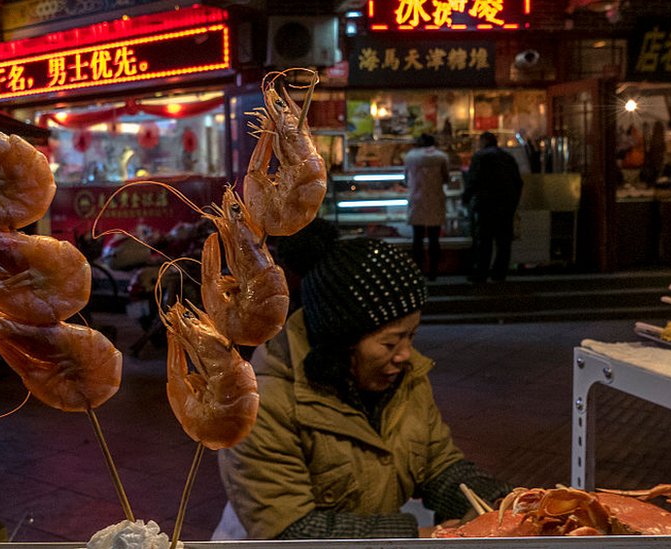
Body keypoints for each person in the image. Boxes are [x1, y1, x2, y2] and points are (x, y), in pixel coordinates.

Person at [215, 235, 510, 540]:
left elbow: (438, 466)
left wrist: (502, 504)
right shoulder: (263, 405)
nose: (405, 354)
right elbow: (292, 531)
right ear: (342, 341)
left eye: (412, 336)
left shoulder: (406, 378)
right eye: (390, 342)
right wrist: (418, 536)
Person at [462, 132, 524, 283]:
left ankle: (481, 273)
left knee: (484, 240)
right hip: (506, 204)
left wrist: (466, 198)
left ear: (483, 142)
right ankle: (499, 273)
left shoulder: (480, 157)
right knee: (503, 241)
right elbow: (518, 182)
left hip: (486, 203)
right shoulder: (508, 157)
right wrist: (513, 202)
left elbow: (473, 179)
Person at [403, 134, 450, 280]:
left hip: (417, 200)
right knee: (433, 239)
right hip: (435, 200)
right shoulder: (441, 157)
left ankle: (417, 271)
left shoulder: (410, 157)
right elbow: (446, 178)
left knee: (417, 239)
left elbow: (406, 179)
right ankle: (433, 272)